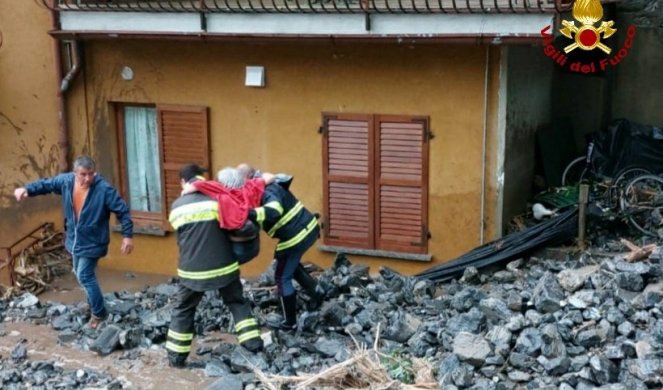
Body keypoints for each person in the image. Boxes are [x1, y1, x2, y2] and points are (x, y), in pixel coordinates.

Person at [14, 155, 134, 329]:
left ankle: (99, 313)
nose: (87, 178)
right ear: (75, 173)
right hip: (74, 240)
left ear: (95, 172)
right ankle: (93, 304)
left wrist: (127, 236)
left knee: (85, 275)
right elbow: (46, 184)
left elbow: (122, 211)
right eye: (83, 174)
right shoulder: (66, 182)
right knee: (80, 273)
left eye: (90, 174)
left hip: (94, 242)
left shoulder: (104, 190)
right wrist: (27, 189)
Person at [166, 163, 263, 368]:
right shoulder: (219, 197)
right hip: (224, 267)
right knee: (237, 302)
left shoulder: (176, 206)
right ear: (202, 178)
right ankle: (253, 345)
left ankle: (176, 357)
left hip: (191, 271)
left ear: (183, 182)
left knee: (183, 308)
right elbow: (237, 224)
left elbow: (181, 236)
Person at [229, 165, 326, 332]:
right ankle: (317, 292)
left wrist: (248, 213)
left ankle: (290, 323)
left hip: (296, 235)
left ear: (250, 179)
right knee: (290, 266)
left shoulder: (266, 191)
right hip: (307, 228)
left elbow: (274, 211)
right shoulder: (265, 187)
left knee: (281, 276)